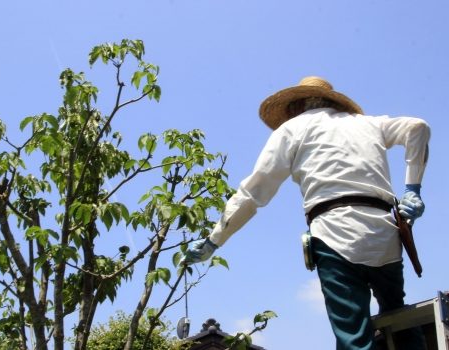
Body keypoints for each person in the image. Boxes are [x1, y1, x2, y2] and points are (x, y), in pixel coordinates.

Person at [182, 76, 430, 350]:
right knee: (398, 314)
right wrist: (413, 190)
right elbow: (417, 128)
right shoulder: (368, 123)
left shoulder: (291, 129)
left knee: (353, 333)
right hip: (386, 233)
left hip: (335, 233)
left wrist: (213, 241)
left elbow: (252, 194)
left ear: (295, 106)